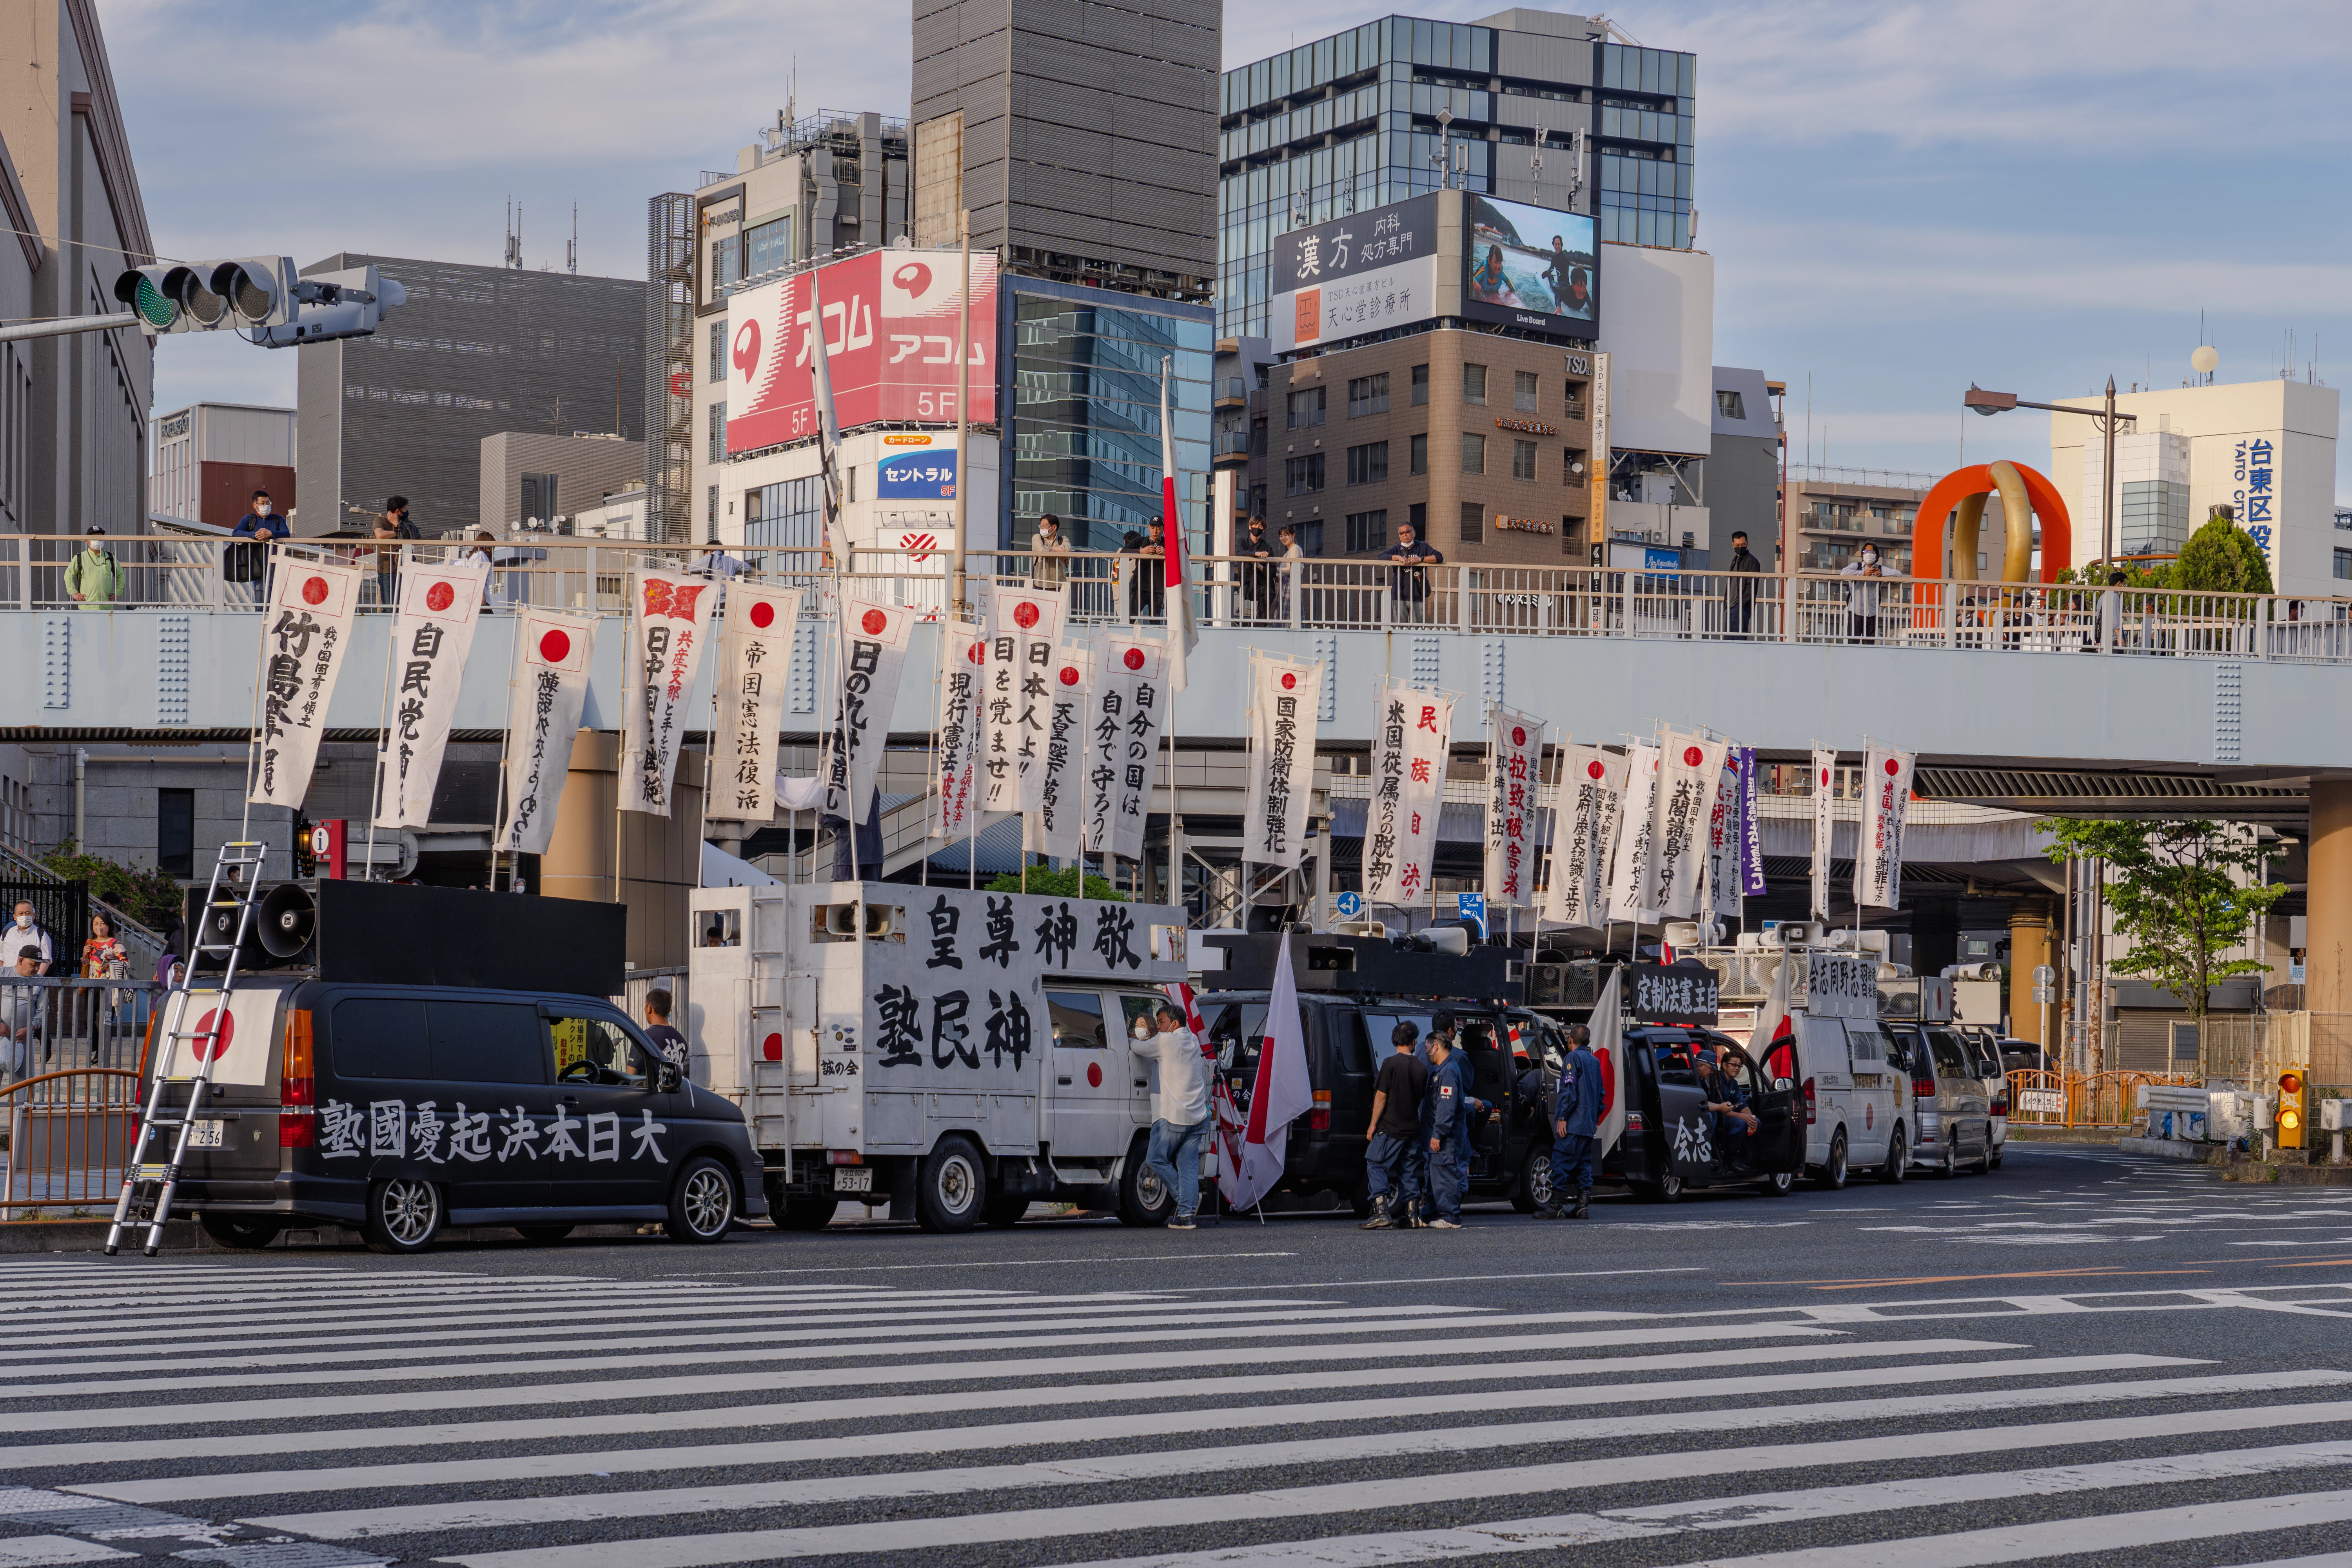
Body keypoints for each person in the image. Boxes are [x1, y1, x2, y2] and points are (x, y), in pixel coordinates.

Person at [1134, 1000, 1212, 1229]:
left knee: (1156, 1159)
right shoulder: (1194, 1041)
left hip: (1174, 1116)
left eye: (1161, 1022)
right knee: (1187, 1165)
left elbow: (1137, 1048)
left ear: (1174, 1023)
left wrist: (1131, 1036)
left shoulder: (1167, 1041)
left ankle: (1184, 1200)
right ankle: (1186, 1216)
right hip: (1198, 1116)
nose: (1158, 1027)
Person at [1360, 1020, 1428, 1229]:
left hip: (1391, 1127)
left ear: (1395, 1040)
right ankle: (1412, 1215)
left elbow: (1381, 1097)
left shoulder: (1390, 1064)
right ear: (1414, 1041)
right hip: (1413, 1128)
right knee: (1407, 1169)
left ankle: (1381, 1212)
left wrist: (1373, 1125)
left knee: (1375, 1162)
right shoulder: (1421, 1067)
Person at [1541, 1024, 1604, 1219]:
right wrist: (1595, 1119)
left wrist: (1562, 1118)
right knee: (1584, 1165)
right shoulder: (1595, 1062)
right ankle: (1582, 1206)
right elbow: (1601, 1095)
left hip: (1573, 1123)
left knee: (1560, 1162)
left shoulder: (1572, 1058)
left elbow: (1569, 1092)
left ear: (1570, 1040)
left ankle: (1556, 1207)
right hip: (1588, 1125)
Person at [1420, 1027, 1469, 1229]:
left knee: (1445, 1174)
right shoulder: (1442, 1070)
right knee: (1435, 1176)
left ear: (1436, 1046)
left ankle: (1451, 1217)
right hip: (1435, 1135)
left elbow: (1446, 1107)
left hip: (1444, 1137)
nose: (1425, 1052)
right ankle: (1432, 1213)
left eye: (1427, 1048)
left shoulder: (1448, 1072)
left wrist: (1438, 1133)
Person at [1697, 1042, 1758, 1166]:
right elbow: (1720, 1108)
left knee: (1756, 1122)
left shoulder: (1734, 1083)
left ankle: (1746, 1158)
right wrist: (1743, 1117)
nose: (1737, 1068)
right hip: (1719, 1115)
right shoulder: (1715, 1080)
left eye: (1740, 1066)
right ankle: (1731, 1159)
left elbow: (1741, 1104)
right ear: (1724, 1065)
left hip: (1726, 1114)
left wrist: (1751, 1118)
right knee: (1740, 1123)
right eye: (1734, 1065)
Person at [229, 489, 290, 609]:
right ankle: (261, 618)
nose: (266, 506)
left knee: (279, 598)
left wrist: (271, 533)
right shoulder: (249, 519)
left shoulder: (278, 519)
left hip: (277, 563)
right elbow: (236, 533)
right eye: (262, 503)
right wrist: (255, 536)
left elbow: (286, 534)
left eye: (268, 503)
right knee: (261, 596)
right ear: (255, 505)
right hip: (258, 563)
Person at [1381, 520, 1441, 624]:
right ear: (1399, 536)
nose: (1405, 535)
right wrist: (1398, 558)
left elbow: (1439, 557)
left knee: (1418, 629)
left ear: (1414, 533)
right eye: (1402, 533)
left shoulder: (1423, 547)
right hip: (1399, 594)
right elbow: (1380, 558)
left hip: (1417, 595)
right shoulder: (1396, 549)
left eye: (1408, 532)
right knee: (1400, 629)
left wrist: (1420, 559)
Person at [0, 945, 42, 1081]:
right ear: (21, 961)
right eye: (33, 964)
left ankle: (23, 1103)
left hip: (23, 1036)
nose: (36, 968)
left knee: (25, 1079)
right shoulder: (3, 974)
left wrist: (32, 1027)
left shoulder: (40, 981)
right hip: (1, 1033)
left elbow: (43, 1009)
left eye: (39, 965)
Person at [65, 528, 123, 608]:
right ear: (87, 541)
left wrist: (117, 593)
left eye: (101, 538)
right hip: (87, 607)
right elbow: (69, 575)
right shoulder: (80, 558)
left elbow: (121, 575)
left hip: (106, 607)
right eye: (95, 538)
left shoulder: (110, 558)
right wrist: (73, 592)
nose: (99, 541)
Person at [641, 988, 690, 1077]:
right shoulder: (682, 1041)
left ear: (649, 1008)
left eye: (645, 1006)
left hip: (649, 1091)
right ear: (669, 1010)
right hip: (674, 1090)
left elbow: (630, 1075)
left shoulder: (644, 1038)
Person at [1126, 518, 1167, 621]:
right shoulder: (1141, 541)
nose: (1155, 532)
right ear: (1148, 527)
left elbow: (1182, 556)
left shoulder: (1167, 543)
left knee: (1155, 621)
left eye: (1159, 528)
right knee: (1130, 618)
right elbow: (1123, 552)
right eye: (1153, 528)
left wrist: (1167, 553)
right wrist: (1141, 551)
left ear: (1163, 529)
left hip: (1158, 589)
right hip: (1139, 587)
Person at [1725, 529, 1762, 635]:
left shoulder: (1752, 561)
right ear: (1733, 545)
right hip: (1731, 606)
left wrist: (1742, 604)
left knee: (1739, 640)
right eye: (1737, 545)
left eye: (1743, 544)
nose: (1740, 547)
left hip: (1741, 607)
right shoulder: (1735, 560)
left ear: (1747, 544)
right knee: (1728, 640)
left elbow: (1752, 586)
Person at [1842, 545, 1882, 644]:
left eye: (1872, 552)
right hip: (1856, 611)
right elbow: (1843, 573)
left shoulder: (1880, 569)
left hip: (1872, 612)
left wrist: (1882, 575)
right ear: (1862, 555)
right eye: (1865, 551)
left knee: (1869, 644)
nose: (1868, 554)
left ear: (1877, 556)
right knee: (1853, 643)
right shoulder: (1857, 566)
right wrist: (1863, 574)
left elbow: (1898, 574)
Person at [363, 517, 402, 610]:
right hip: (386, 569)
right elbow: (380, 535)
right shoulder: (380, 520)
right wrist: (398, 533)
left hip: (403, 569)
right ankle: (389, 623)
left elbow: (415, 536)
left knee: (403, 608)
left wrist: (398, 525)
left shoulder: (405, 521)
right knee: (389, 608)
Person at [1240, 517, 1272, 621]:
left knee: (1269, 592)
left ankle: (1261, 624)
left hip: (1262, 585)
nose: (1257, 528)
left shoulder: (1267, 547)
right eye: (1255, 525)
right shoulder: (1242, 542)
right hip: (1247, 585)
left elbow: (1273, 571)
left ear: (1264, 530)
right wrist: (1255, 554)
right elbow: (1239, 553)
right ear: (1250, 527)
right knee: (1267, 592)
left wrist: (1260, 566)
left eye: (1261, 526)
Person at [5, 903, 52, 976]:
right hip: (7, 981)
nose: (24, 916)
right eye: (21, 913)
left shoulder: (42, 936)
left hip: (30, 981)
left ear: (33, 916)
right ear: (15, 917)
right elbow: (1, 958)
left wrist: (35, 979)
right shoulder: (6, 934)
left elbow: (46, 960)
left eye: (28, 913)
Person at [1030, 514, 1071, 590]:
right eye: (1041, 526)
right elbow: (1041, 550)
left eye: (1044, 526)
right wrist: (1059, 551)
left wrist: (1048, 551)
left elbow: (1068, 549)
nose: (1041, 528)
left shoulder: (1063, 539)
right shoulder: (1037, 537)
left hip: (1059, 584)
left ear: (1054, 527)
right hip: (1041, 584)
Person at [1277, 523, 1304, 623]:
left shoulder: (1296, 549)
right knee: (1286, 610)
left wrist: (1275, 570)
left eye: (1286, 535)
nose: (1283, 538)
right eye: (1281, 536)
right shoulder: (1289, 551)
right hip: (1287, 582)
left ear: (1293, 535)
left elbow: (1292, 570)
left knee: (1290, 611)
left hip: (1292, 582)